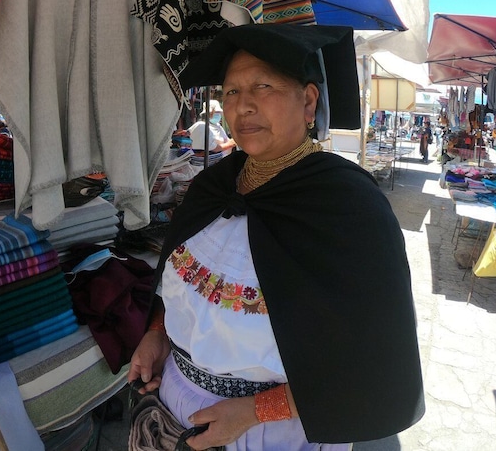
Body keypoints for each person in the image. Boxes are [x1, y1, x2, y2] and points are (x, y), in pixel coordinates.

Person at [127, 24, 424, 450]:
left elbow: (371, 353)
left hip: (272, 434)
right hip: (174, 411)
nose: (241, 105)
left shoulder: (348, 207)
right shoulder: (214, 187)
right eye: (229, 92)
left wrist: (252, 413)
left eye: (262, 86)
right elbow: (172, 288)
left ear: (307, 101)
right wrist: (157, 333)